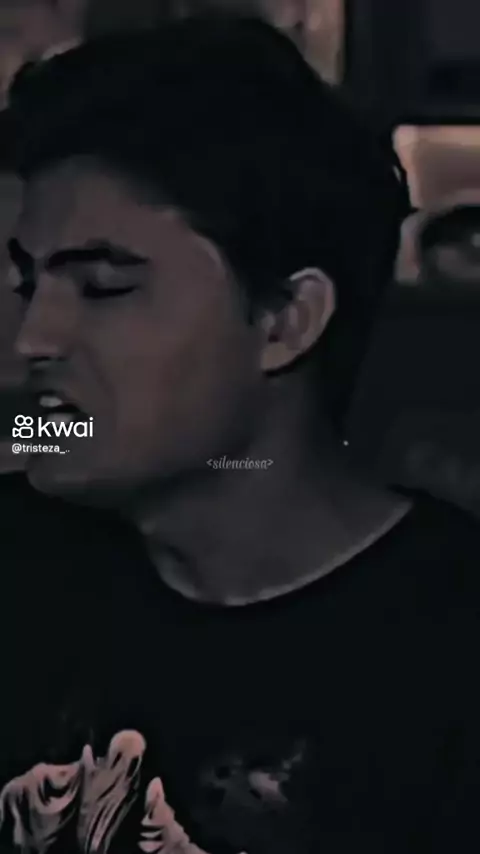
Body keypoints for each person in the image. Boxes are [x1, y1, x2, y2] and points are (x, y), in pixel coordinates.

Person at [0, 15, 478, 853]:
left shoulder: (450, 655)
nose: (32, 338)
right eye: (27, 284)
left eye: (103, 287)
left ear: (286, 322)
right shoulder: (23, 558)